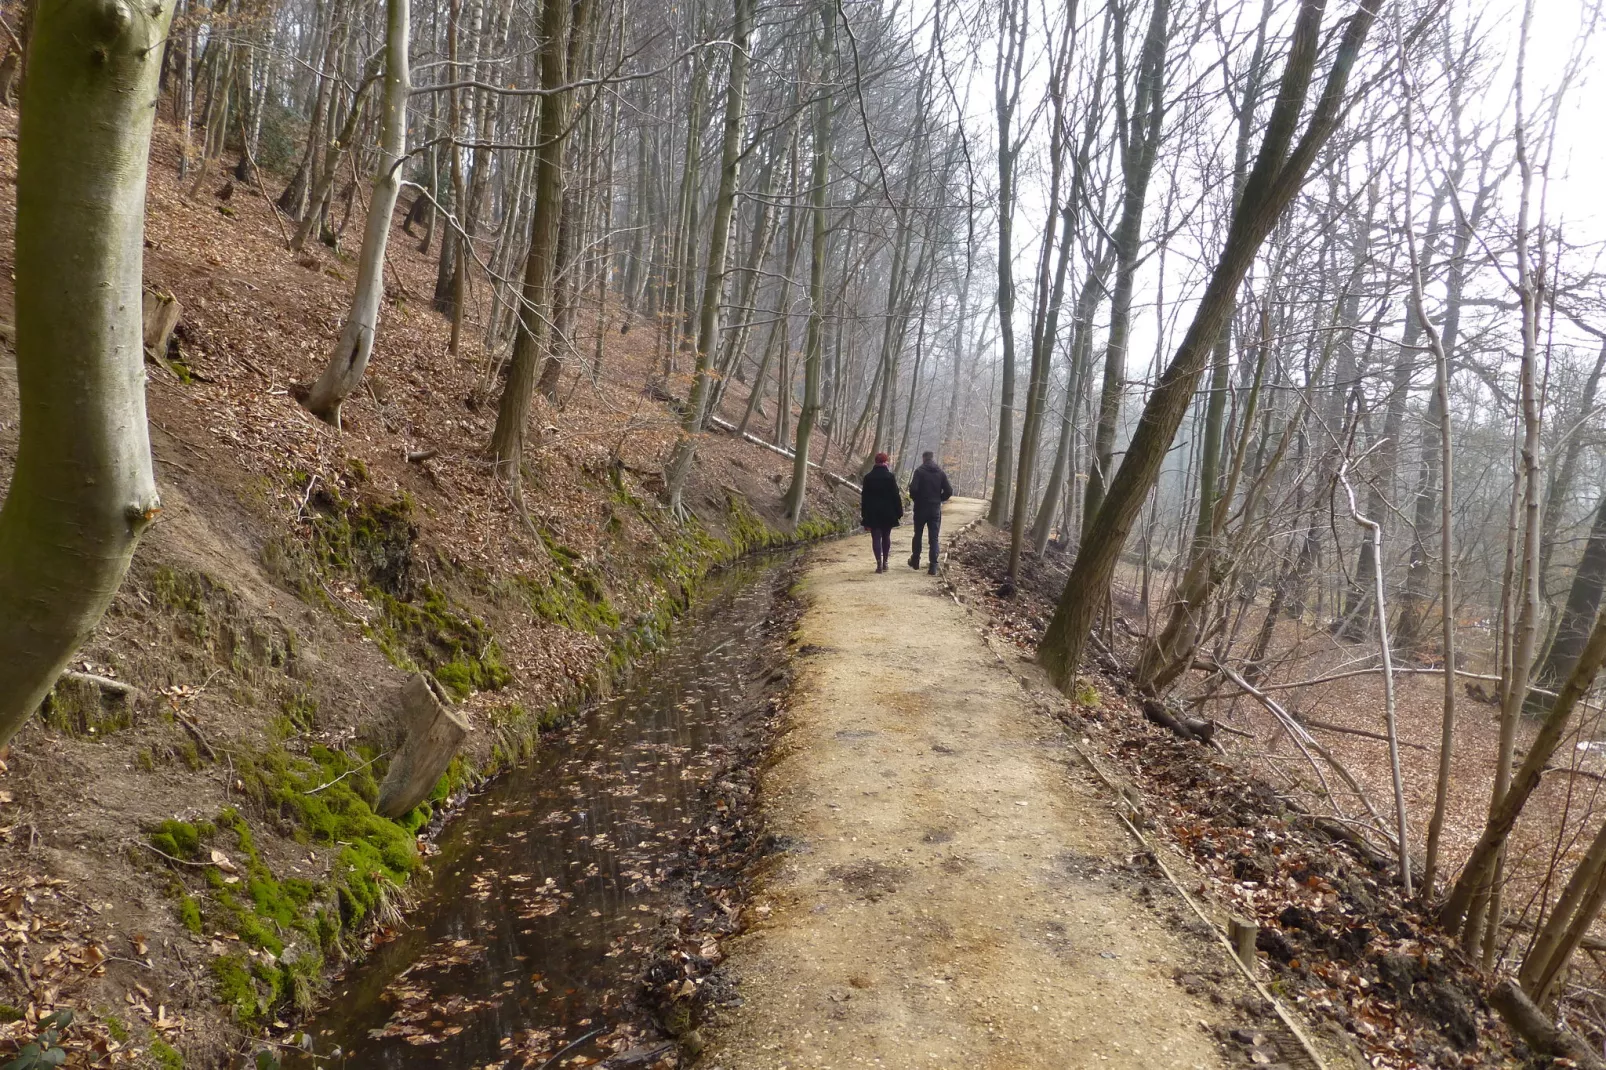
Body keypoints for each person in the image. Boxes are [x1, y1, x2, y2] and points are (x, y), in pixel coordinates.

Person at [907, 450, 953, 575]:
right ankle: (933, 565)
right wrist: (939, 499)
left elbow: (913, 489)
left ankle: (915, 559)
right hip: (934, 508)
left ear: (923, 458)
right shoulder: (940, 473)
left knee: (918, 534)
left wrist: (916, 499)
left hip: (921, 507)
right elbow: (949, 491)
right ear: (932, 458)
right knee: (934, 537)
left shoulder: (919, 472)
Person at [860, 452, 903, 573]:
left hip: (872, 513)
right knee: (886, 536)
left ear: (875, 462)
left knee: (875, 538)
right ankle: (885, 562)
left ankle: (878, 564)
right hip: (888, 512)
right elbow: (896, 495)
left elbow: (864, 497)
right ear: (885, 462)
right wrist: (899, 512)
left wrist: (864, 514)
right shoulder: (890, 477)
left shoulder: (868, 477)